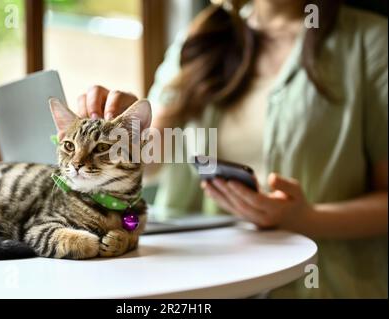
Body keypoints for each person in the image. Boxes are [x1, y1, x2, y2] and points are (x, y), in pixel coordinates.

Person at [76, 0, 388, 298]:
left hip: (323, 286)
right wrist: (126, 130)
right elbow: (154, 156)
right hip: (204, 282)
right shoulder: (202, 37)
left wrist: (305, 218)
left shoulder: (371, 43)